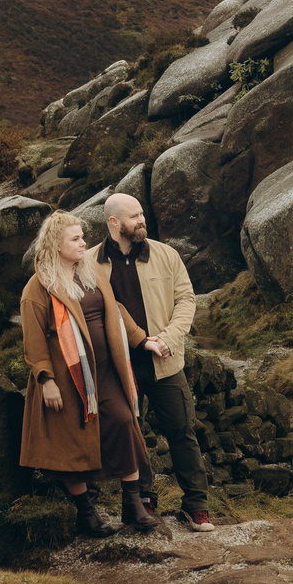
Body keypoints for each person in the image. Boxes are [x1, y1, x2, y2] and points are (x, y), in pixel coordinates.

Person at [17, 210, 156, 536]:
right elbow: (33, 340)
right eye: (76, 238)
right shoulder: (38, 288)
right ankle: (87, 514)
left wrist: (141, 339)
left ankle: (132, 505)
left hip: (106, 372)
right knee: (73, 446)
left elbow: (115, 309)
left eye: (82, 236)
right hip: (70, 381)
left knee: (124, 423)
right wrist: (45, 379)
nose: (84, 243)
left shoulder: (90, 271)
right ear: (56, 244)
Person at [87, 193, 214, 532]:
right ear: (114, 223)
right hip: (119, 367)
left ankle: (197, 505)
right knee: (133, 433)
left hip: (165, 362)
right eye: (134, 216)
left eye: (142, 213)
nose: (142, 220)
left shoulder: (166, 255)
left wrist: (169, 339)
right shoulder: (90, 263)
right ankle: (143, 500)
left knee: (183, 430)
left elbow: (186, 300)